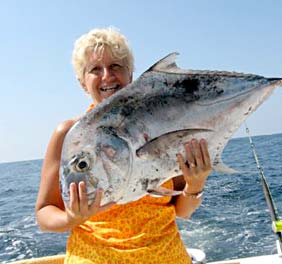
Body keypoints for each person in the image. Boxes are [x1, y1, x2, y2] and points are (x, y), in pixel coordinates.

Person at [35, 27, 212, 264]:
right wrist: (71, 218)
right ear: (82, 82)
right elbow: (44, 213)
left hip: (165, 256)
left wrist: (196, 183)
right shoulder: (69, 136)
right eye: (95, 69)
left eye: (116, 66)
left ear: (130, 75)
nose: (107, 76)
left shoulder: (162, 127)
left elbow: (182, 210)